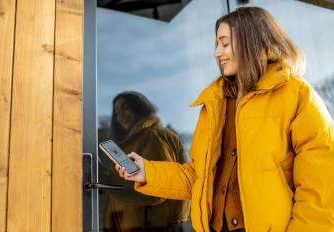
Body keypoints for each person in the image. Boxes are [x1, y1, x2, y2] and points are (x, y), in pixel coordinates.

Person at [115, 7, 334, 232]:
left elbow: (321, 187)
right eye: (216, 44)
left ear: (251, 42)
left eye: (225, 44)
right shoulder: (215, 104)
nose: (217, 53)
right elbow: (198, 178)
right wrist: (146, 172)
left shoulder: (297, 95)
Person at [103, 91, 191, 232]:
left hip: (153, 226)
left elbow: (159, 190)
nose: (120, 116)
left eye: (125, 108)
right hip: (134, 225)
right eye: (117, 112)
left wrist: (111, 186)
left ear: (139, 108)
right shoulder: (133, 140)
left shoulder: (153, 136)